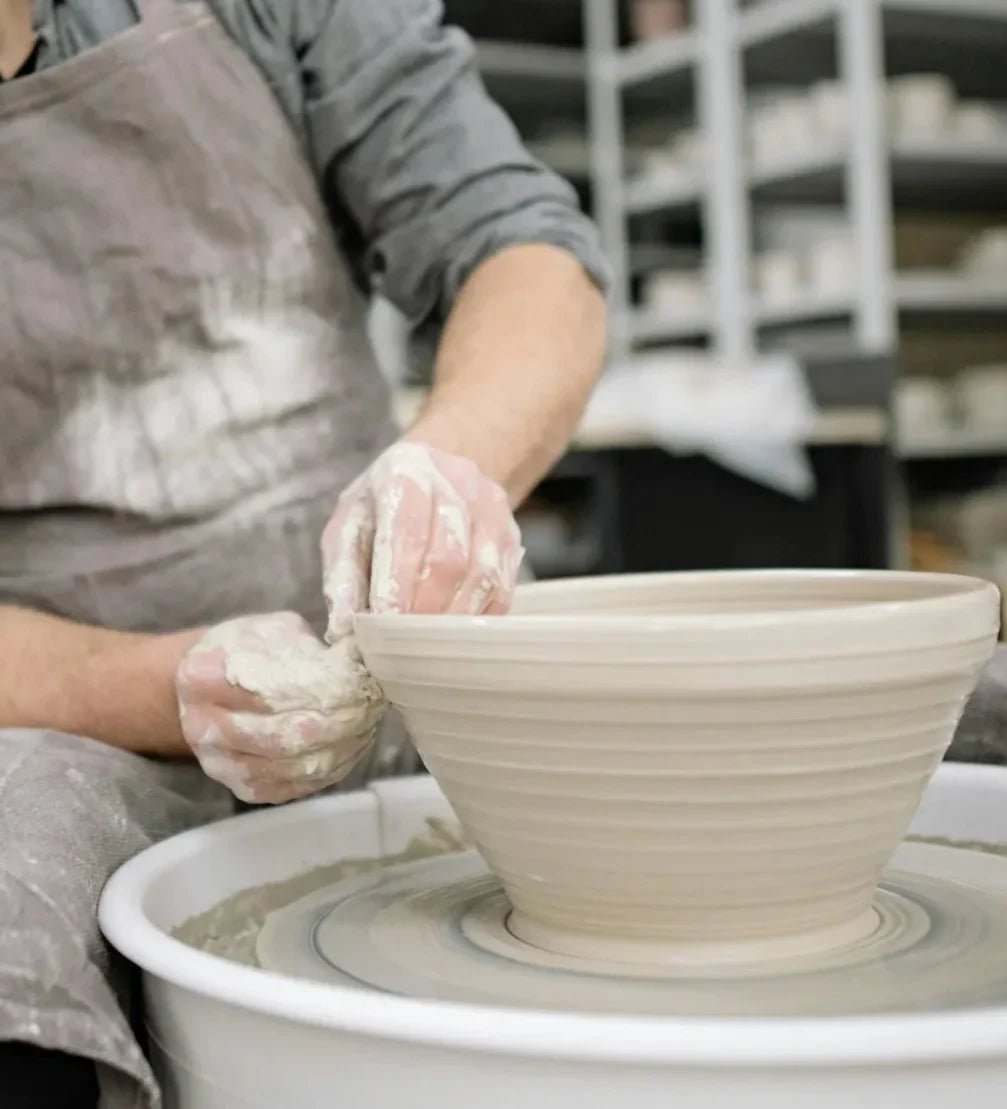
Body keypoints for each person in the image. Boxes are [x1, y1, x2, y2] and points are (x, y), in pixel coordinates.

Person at [0, 0, 606, 1103]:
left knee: (925, 713)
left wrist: (447, 469)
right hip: (61, 708)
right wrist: (160, 689)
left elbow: (527, 258)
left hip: (399, 627)